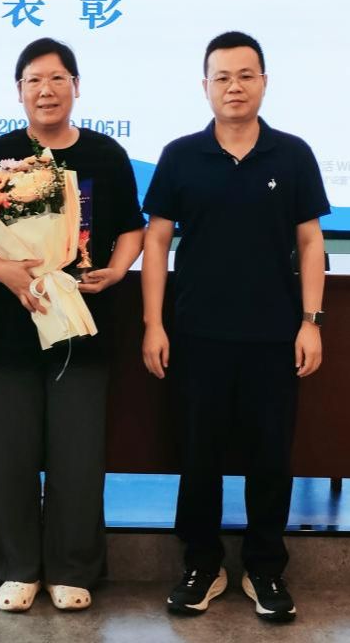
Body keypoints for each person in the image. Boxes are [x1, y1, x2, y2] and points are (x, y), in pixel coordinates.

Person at [0, 37, 145, 613]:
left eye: (58, 78)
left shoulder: (106, 155)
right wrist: (6, 273)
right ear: (19, 92)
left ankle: (71, 567)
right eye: (34, 80)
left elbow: (132, 227)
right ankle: (16, 567)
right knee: (8, 453)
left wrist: (118, 269)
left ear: (76, 87)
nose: (46, 90)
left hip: (82, 324)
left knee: (77, 456)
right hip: (9, 328)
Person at [140, 30, 329, 624]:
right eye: (221, 77)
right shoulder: (180, 156)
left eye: (246, 75)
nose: (234, 87)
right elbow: (156, 241)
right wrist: (153, 323)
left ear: (264, 82)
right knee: (199, 457)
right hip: (197, 336)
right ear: (205, 87)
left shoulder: (292, 155)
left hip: (274, 337)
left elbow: (310, 241)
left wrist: (311, 321)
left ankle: (265, 568)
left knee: (270, 458)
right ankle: (202, 564)